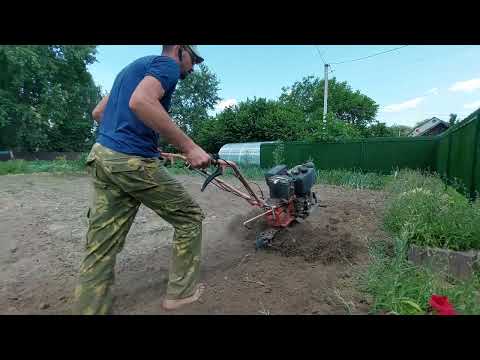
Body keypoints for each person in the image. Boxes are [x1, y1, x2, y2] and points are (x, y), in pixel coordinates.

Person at [72, 45, 211, 315]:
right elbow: (141, 102)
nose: (193, 68)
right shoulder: (167, 65)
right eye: (193, 59)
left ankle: (89, 309)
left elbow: (99, 113)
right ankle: (181, 294)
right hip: (130, 161)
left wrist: (142, 140)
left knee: (102, 244)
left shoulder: (131, 69)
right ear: (180, 49)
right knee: (190, 218)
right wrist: (190, 147)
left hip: (102, 156)